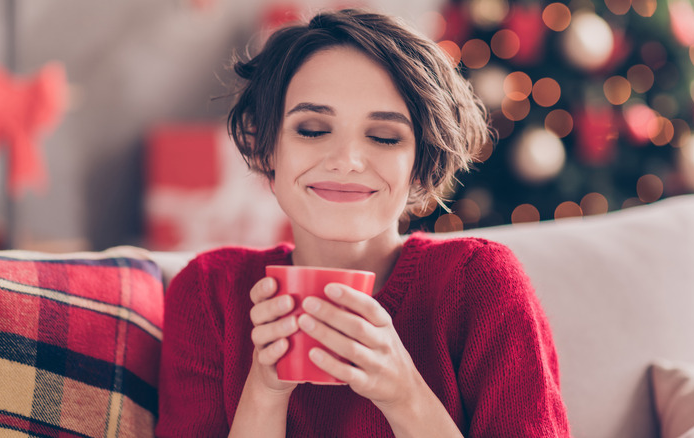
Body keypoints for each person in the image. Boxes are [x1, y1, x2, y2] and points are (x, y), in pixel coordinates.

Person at [156, 8, 571, 437]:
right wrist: (263, 393)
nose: (346, 162)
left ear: (421, 162)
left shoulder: (479, 282)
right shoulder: (209, 293)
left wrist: (404, 394)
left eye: (385, 137)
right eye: (313, 129)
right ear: (266, 148)